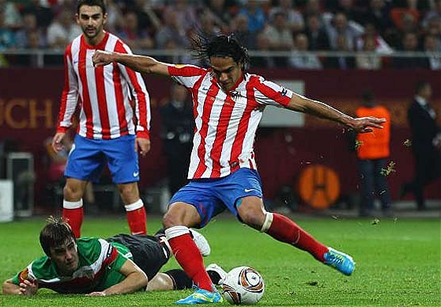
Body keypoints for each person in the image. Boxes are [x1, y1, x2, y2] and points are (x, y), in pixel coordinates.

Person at [92, 34, 385, 304]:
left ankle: (324, 253)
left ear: (240, 64)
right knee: (173, 219)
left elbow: (304, 104)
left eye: (227, 71)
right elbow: (153, 65)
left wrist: (348, 120)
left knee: (252, 215)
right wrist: (116, 57)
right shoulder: (197, 79)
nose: (221, 77)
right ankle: (206, 289)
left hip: (237, 173)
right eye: (216, 71)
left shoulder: (257, 87)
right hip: (203, 179)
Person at [51, 0, 151, 238]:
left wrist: (143, 131)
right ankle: (70, 250)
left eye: (95, 17)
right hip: (87, 136)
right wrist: (63, 126)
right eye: (85, 17)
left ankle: (145, 251)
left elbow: (140, 91)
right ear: (77, 18)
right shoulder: (72, 50)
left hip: (121, 134)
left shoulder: (118, 49)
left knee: (128, 192)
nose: (90, 22)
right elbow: (71, 91)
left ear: (105, 18)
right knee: (71, 190)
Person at [2, 216, 212, 296]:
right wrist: (24, 293)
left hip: (130, 252)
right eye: (59, 252)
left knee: (164, 249)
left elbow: (138, 276)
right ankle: (212, 275)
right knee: (159, 284)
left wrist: (106, 293)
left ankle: (176, 235)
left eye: (70, 247)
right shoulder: (41, 269)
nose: (68, 256)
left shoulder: (94, 249)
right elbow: (7, 286)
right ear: (49, 255)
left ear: (75, 243)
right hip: (113, 276)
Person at [402, 81, 441, 210]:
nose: (430, 92)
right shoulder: (414, 107)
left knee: (434, 171)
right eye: (428, 89)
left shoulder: (427, 106)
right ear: (421, 91)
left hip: (430, 145)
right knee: (420, 173)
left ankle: (410, 187)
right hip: (421, 145)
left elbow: (433, 124)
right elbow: (419, 128)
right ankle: (420, 202)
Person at [354, 90, 392, 217]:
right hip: (382, 152)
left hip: (365, 153)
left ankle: (367, 209)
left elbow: (352, 132)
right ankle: (386, 208)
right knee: (381, 181)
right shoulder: (384, 112)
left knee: (367, 183)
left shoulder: (359, 113)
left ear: (364, 100)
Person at [160, 84, 195, 196]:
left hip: (188, 150)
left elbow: (191, 126)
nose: (180, 94)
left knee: (188, 178)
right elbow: (168, 125)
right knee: (174, 178)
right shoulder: (166, 108)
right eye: (178, 91)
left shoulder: (191, 108)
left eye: (182, 91)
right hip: (173, 151)